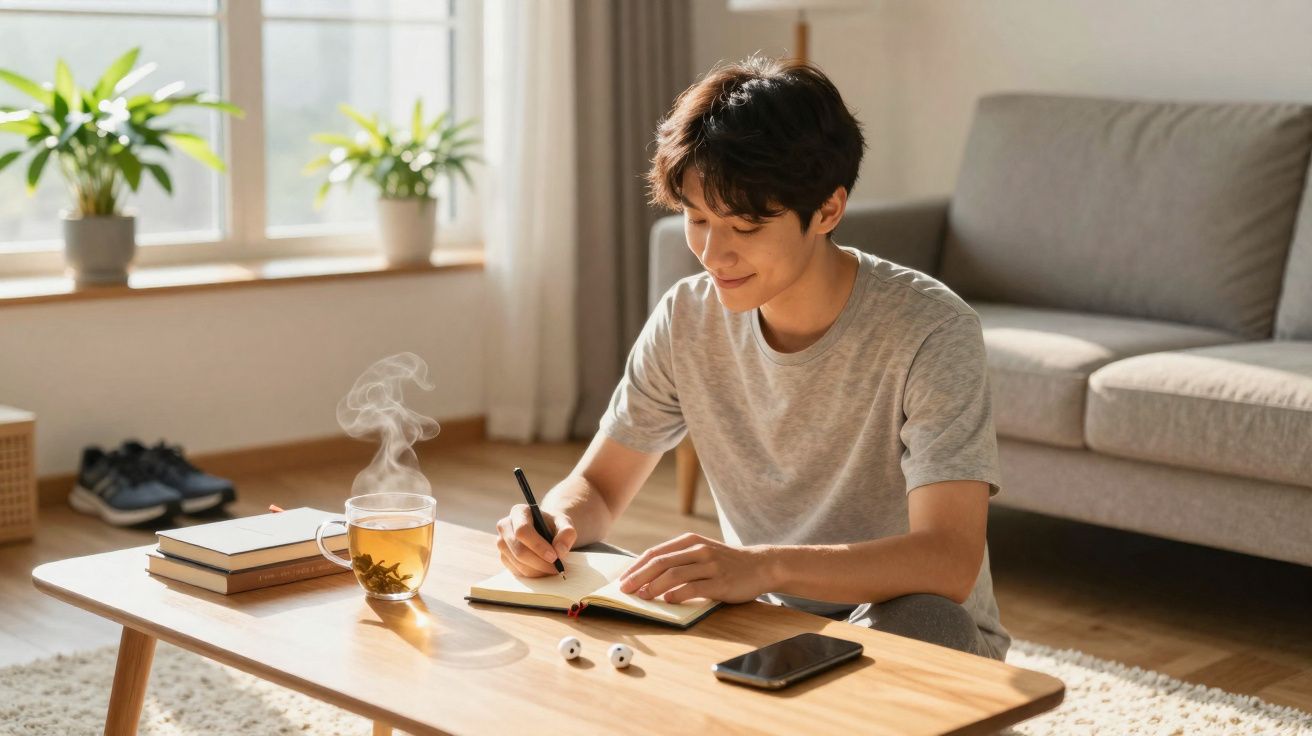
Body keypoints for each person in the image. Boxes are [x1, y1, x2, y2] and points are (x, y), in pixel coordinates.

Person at [494, 55, 1010, 660]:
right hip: (760, 619)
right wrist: (551, 525)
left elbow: (947, 560)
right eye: (697, 219)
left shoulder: (930, 329)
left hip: (898, 617)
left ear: (827, 211)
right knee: (585, 573)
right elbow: (599, 489)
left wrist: (761, 567)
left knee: (928, 624)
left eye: (743, 227)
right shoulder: (686, 317)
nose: (713, 254)